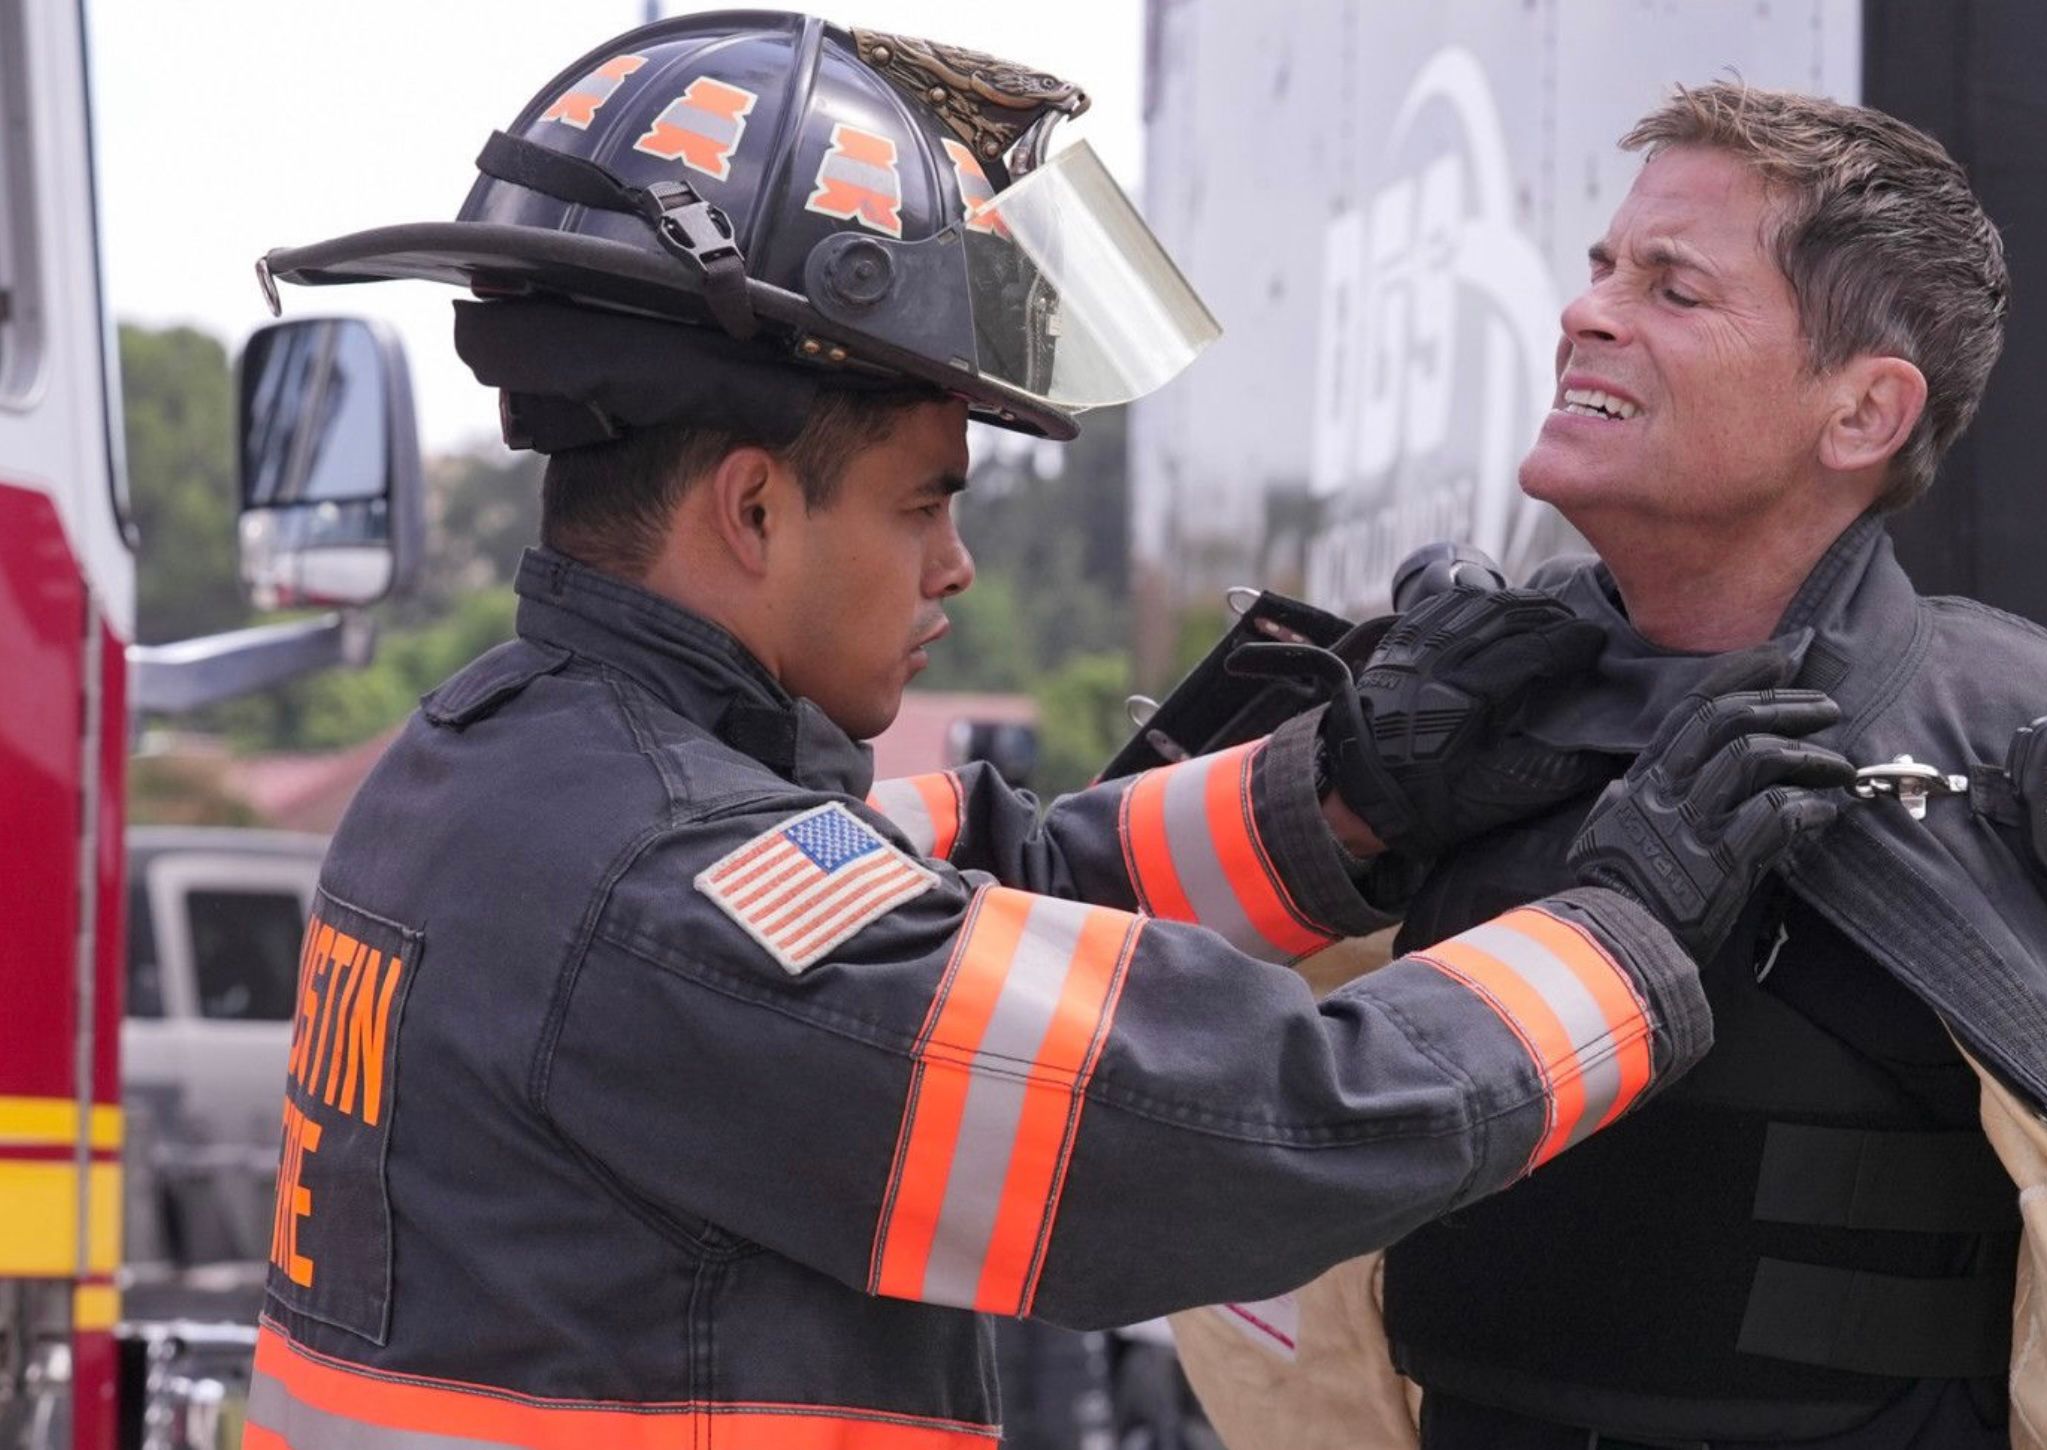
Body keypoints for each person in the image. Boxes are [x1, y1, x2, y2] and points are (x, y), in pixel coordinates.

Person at [239, 18, 1851, 1448]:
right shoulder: (674, 891)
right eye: (924, 501)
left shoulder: (507, 764)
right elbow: (1236, 1127)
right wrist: (1627, 934)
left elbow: (991, 882)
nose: (955, 565)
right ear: (749, 506)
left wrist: (1344, 801)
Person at [1370, 84, 2047, 1450]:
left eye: (1674, 288)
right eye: (1604, 267)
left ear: (1863, 413)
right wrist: (1336, 798)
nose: (1584, 313)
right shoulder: (1432, 726)